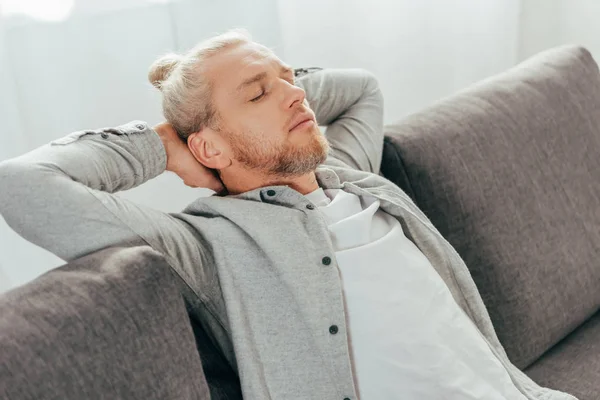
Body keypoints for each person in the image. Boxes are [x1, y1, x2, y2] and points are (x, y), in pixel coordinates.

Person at [0, 30, 573, 400]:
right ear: (209, 149)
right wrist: (162, 142)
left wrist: (264, 82)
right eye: (257, 95)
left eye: (290, 78)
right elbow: (23, 185)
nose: (295, 95)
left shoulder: (347, 174)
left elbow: (361, 90)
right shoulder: (207, 247)